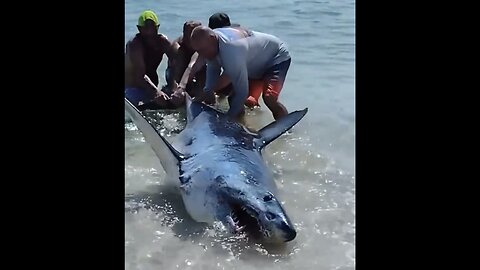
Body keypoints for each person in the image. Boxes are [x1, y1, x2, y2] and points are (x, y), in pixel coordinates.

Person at [190, 26, 291, 120]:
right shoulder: (211, 42)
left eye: (202, 50)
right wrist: (207, 91)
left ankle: (287, 129)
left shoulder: (232, 49)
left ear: (212, 39)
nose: (201, 55)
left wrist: (228, 120)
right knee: (234, 99)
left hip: (275, 58)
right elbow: (213, 67)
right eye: (198, 51)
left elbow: (242, 92)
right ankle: (242, 126)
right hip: (253, 64)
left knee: (269, 98)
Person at [125, 10, 178, 110]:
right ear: (139, 29)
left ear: (158, 27)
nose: (150, 34)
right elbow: (139, 75)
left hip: (152, 85)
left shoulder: (163, 42)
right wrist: (156, 92)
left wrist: (174, 87)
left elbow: (176, 62)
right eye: (146, 30)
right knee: (133, 98)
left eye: (153, 29)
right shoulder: (134, 45)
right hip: (132, 87)